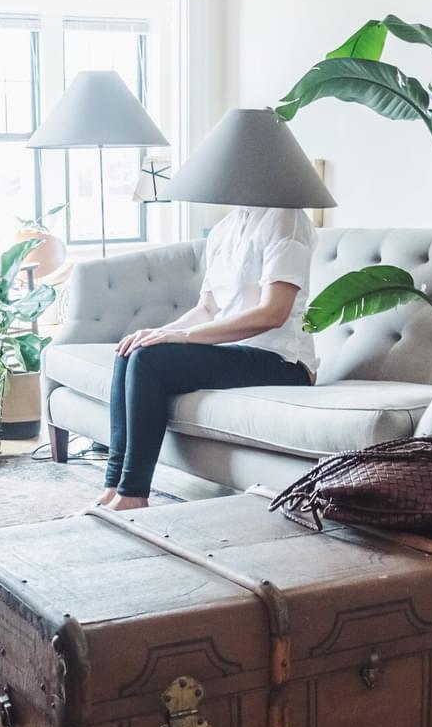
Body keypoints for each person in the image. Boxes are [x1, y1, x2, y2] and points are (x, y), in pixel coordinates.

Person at [99, 205, 317, 511]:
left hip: (281, 361)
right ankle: (113, 489)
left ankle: (133, 494)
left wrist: (185, 337)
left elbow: (273, 313)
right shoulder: (224, 229)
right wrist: (159, 333)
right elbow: (207, 309)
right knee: (133, 351)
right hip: (234, 351)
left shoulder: (286, 219)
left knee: (149, 362)